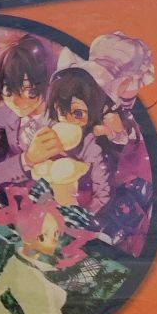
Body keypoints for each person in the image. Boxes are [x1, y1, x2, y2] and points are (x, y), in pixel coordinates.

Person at [0, 199, 72, 314]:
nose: (54, 240)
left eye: (56, 234)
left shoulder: (37, 265)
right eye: (43, 236)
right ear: (26, 238)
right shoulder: (16, 267)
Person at [0, 34, 61, 188]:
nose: (16, 102)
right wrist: (27, 159)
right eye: (8, 91)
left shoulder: (64, 110)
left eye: (29, 92)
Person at [44, 66, 113, 213]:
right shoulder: (50, 129)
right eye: (62, 112)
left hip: (76, 206)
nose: (69, 120)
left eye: (78, 114)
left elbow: (102, 194)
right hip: (47, 196)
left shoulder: (92, 147)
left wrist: (82, 216)